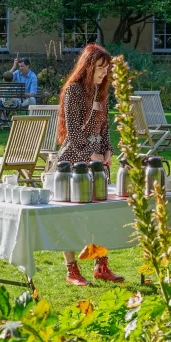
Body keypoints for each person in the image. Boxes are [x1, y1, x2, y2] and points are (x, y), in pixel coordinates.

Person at [55, 44, 123, 286]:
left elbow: (105, 129)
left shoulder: (101, 92)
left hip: (97, 163)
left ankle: (101, 265)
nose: (104, 73)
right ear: (88, 66)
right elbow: (73, 132)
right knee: (71, 217)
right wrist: (91, 155)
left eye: (107, 69)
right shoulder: (74, 90)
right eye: (100, 67)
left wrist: (107, 151)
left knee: (101, 214)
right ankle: (71, 269)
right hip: (74, 162)